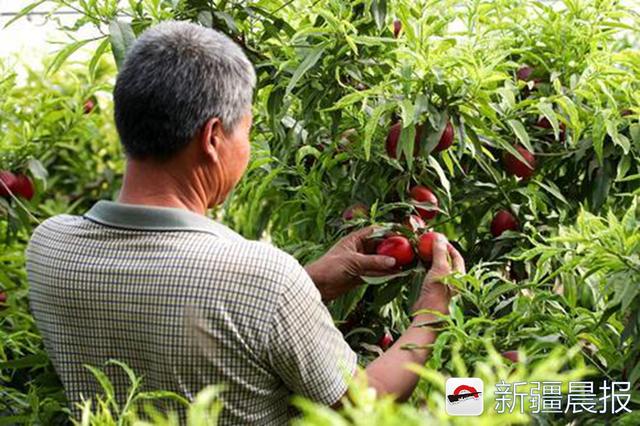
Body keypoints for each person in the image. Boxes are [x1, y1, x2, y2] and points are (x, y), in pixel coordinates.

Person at [26, 21, 465, 425]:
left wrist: (309, 285)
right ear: (213, 137)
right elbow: (364, 405)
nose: (249, 149)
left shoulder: (49, 247)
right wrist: (433, 310)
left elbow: (202, 313)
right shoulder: (263, 280)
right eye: (247, 132)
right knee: (502, 394)